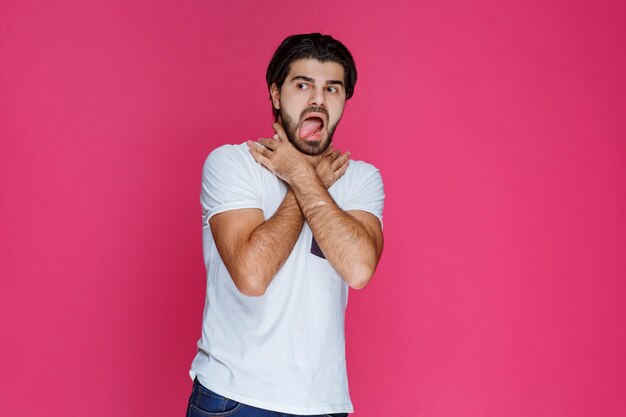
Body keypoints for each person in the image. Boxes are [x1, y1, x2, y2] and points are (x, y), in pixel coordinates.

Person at [187, 33, 385, 417]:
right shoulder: (232, 164)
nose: (318, 99)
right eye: (302, 85)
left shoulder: (360, 179)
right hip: (234, 399)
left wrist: (301, 176)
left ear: (344, 100)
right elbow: (252, 276)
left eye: (332, 88)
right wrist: (303, 179)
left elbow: (359, 270)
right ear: (276, 95)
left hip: (323, 405)